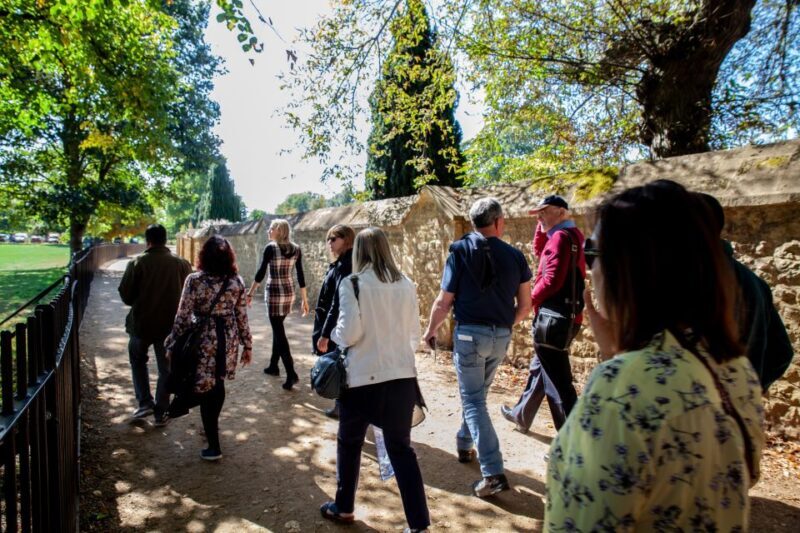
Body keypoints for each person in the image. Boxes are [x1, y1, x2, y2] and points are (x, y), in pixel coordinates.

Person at [545, 180, 764, 531]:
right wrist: (620, 353)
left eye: (592, 253)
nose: (589, 269)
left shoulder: (620, 389)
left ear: (625, 269)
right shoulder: (737, 371)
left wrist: (620, 365)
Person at [319, 227, 430, 533]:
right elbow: (414, 336)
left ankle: (344, 506)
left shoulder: (353, 284)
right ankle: (419, 524)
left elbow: (349, 333)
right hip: (401, 376)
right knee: (401, 450)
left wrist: (335, 336)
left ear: (359, 252)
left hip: (362, 379)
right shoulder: (406, 284)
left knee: (350, 441)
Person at [423, 198, 532, 498]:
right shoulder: (516, 256)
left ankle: (493, 471)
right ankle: (463, 442)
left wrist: (430, 330)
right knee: (478, 396)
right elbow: (526, 306)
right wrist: (501, 324)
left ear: (474, 223)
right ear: (498, 222)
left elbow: (444, 301)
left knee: (473, 400)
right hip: (501, 336)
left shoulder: (459, 251)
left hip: (470, 336)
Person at [501, 194, 586, 434]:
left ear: (562, 212)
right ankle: (521, 414)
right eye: (538, 212)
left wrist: (526, 301)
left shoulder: (560, 238)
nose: (539, 215)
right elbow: (539, 250)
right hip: (564, 318)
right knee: (540, 369)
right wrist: (541, 224)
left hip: (552, 322)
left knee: (559, 386)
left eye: (544, 211)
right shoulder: (571, 235)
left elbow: (550, 280)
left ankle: (570, 443)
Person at [165, 236, 252, 461]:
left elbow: (183, 315)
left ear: (203, 256)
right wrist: (247, 345)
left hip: (202, 339)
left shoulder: (194, 280)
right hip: (227, 337)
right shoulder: (236, 281)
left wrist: (172, 342)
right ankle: (211, 432)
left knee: (203, 384)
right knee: (217, 381)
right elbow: (242, 315)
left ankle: (213, 443)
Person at [697, 192, 794, 391]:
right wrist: (752, 389)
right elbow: (782, 352)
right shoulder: (756, 283)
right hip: (742, 410)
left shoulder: (693, 281)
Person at [118, 224, 192, 426]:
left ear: (147, 241)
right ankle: (161, 411)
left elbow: (126, 295)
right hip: (170, 327)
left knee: (138, 361)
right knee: (165, 369)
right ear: (165, 239)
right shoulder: (181, 264)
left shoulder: (138, 263)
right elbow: (190, 297)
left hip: (141, 324)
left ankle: (144, 402)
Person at [248, 219, 309, 390]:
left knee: (279, 332)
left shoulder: (271, 248)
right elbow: (300, 275)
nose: (269, 231)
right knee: (278, 328)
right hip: (289, 293)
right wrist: (304, 299)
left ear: (279, 231)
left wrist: (250, 293)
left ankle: (291, 373)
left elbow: (261, 272)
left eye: (271, 228)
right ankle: (273, 366)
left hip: (274, 293)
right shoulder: (296, 249)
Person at [312, 224, 355, 419]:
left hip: (339, 326)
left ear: (346, 240)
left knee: (340, 366)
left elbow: (336, 304)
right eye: (328, 239)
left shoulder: (346, 265)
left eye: (334, 239)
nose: (329, 243)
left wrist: (325, 334)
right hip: (337, 323)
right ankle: (342, 406)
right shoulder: (342, 263)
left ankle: (343, 407)